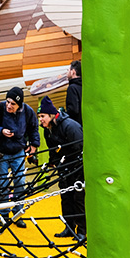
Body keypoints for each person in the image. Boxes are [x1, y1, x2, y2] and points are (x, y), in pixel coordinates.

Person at [0, 87, 40, 227]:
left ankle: (17, 213)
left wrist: (34, 144)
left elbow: (33, 128)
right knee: (3, 183)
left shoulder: (27, 111)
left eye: (13, 103)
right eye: (8, 101)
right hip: (1, 151)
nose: (9, 105)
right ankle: (4, 215)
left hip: (18, 151)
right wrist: (1, 131)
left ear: (19, 105)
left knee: (20, 181)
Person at [38, 96, 85, 240]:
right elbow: (53, 149)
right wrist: (54, 162)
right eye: (39, 117)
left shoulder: (70, 126)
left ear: (52, 115)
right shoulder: (48, 129)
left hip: (77, 166)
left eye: (43, 116)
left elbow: (80, 147)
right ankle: (69, 227)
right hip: (64, 167)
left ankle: (82, 231)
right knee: (66, 197)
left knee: (78, 198)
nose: (41, 120)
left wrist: (72, 164)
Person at [65, 60, 82, 127]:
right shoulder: (83, 86)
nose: (67, 72)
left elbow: (73, 109)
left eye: (68, 70)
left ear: (73, 72)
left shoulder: (72, 88)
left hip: (76, 125)